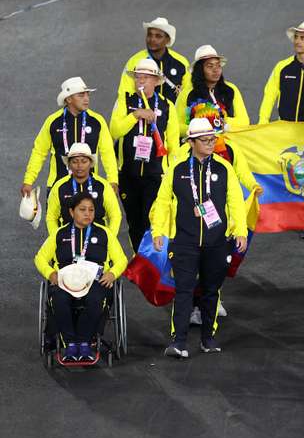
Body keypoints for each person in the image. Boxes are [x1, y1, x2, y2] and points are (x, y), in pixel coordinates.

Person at [150, 118, 248, 358]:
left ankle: (208, 338)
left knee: (211, 290)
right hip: (184, 240)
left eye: (213, 139)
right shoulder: (178, 169)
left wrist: (241, 230)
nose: (211, 143)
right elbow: (162, 201)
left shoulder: (224, 169)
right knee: (183, 290)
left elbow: (235, 201)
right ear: (192, 142)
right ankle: (179, 341)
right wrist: (158, 231)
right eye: (205, 140)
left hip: (216, 241)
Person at [34, 192, 127, 361]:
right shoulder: (59, 234)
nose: (87, 214)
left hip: (95, 281)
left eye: (91, 210)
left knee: (96, 299)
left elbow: (121, 259)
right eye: (82, 209)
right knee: (59, 299)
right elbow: (40, 258)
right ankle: (70, 344)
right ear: (71, 212)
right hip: (65, 282)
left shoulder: (104, 233)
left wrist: (112, 273)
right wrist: (51, 273)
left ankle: (84, 342)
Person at [110, 58, 180, 251]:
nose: (141, 81)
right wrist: (135, 115)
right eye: (138, 77)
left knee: (151, 218)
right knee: (134, 221)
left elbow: (173, 145)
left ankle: (150, 258)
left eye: (146, 78)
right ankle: (139, 255)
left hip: (155, 174)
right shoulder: (125, 100)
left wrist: (172, 175)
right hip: (128, 173)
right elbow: (114, 130)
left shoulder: (167, 106)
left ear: (156, 81)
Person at [22, 77, 118, 198]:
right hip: (57, 187)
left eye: (87, 95)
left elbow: (107, 153)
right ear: (68, 99)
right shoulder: (52, 121)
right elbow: (39, 152)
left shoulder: (97, 121)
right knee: (53, 218)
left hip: (90, 187)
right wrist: (28, 180)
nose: (86, 99)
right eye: (81, 95)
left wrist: (113, 180)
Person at [46, 143, 121, 237]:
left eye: (84, 161)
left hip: (97, 241)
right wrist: (57, 239)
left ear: (90, 163)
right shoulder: (59, 187)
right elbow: (51, 217)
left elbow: (115, 215)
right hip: (68, 241)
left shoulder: (102, 186)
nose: (79, 165)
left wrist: (109, 239)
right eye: (75, 161)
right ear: (69, 164)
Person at [175, 45, 250, 134]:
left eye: (218, 66)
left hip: (230, 142)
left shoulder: (231, 89)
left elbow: (245, 121)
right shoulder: (187, 94)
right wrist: (203, 129)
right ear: (200, 70)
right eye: (210, 66)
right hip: (200, 145)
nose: (216, 70)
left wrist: (223, 123)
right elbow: (177, 127)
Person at [116, 17, 189, 104]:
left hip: (174, 116)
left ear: (167, 39)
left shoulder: (181, 62)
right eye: (149, 35)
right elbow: (124, 94)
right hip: (144, 115)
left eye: (158, 36)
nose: (152, 39)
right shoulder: (135, 61)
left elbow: (188, 94)